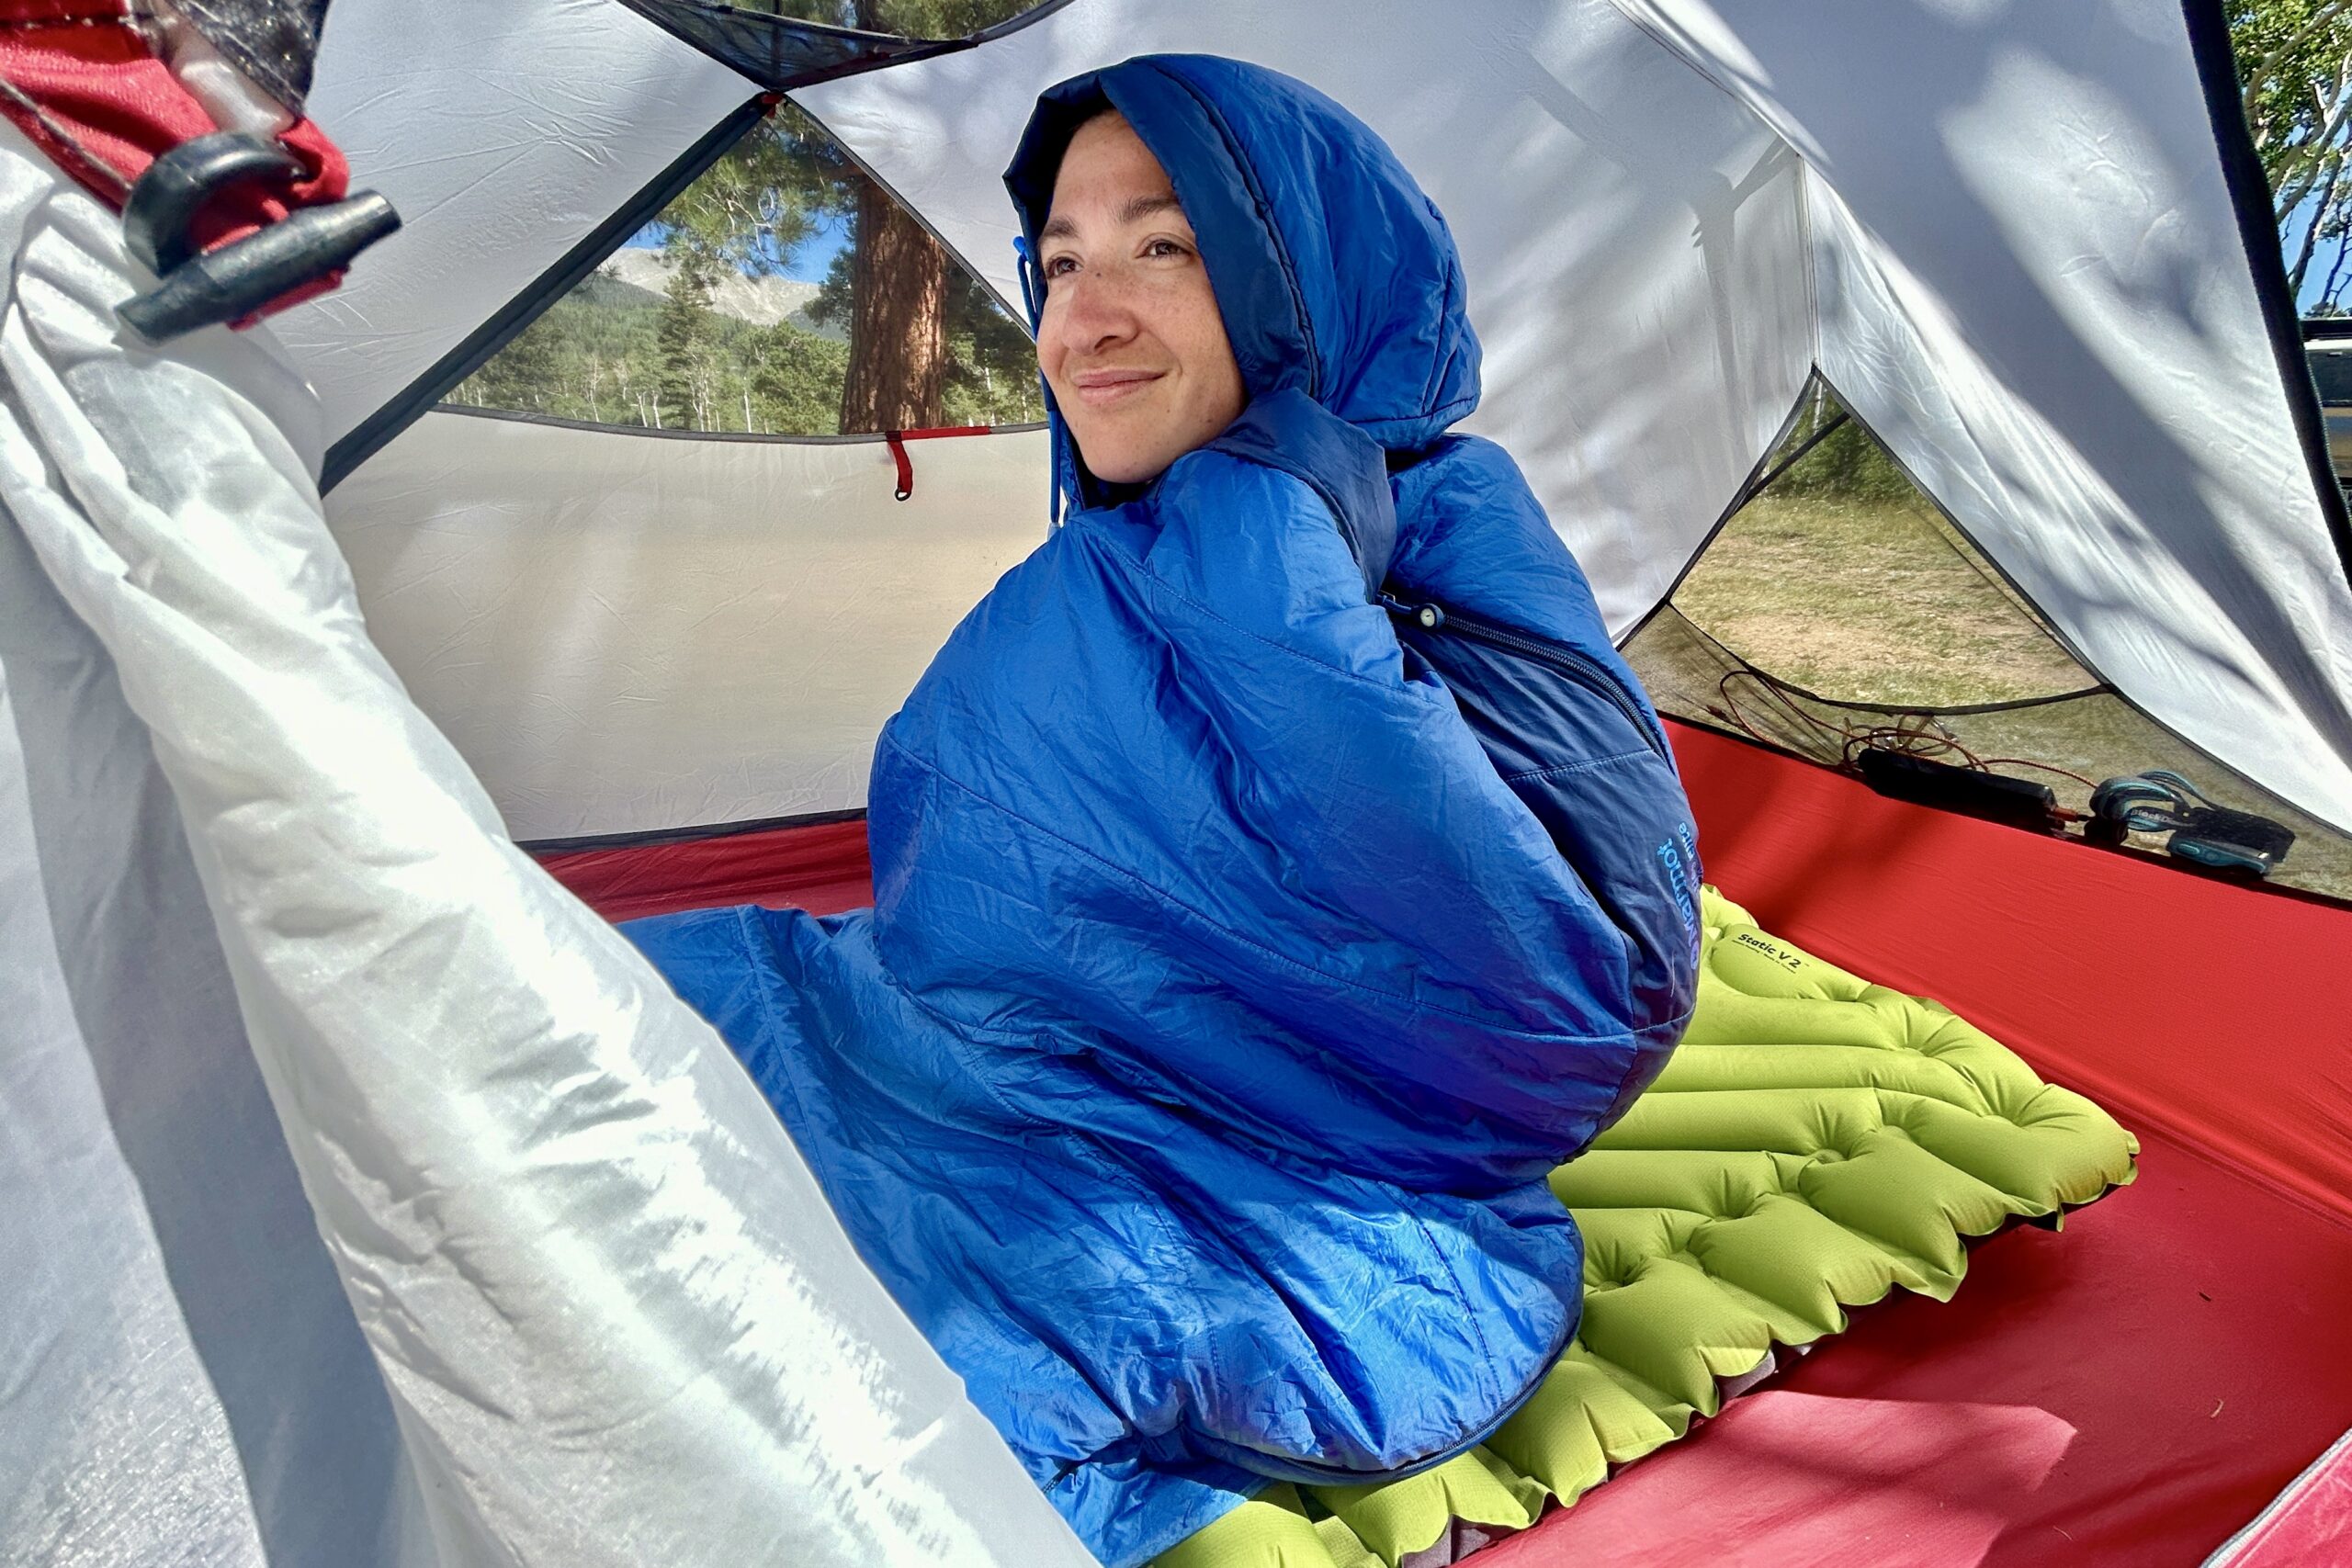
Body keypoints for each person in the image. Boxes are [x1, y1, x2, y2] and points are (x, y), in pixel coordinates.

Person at [627, 54, 1702, 1568]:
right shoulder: (1131, 549)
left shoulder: (1413, 533)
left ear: (1303, 281)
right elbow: (978, 851)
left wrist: (1272, 546)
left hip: (1286, 1161)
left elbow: (1576, 995)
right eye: (1059, 263)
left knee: (833, 1406)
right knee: (569, 1012)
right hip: (960, 1025)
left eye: (1164, 247)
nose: (1083, 318)